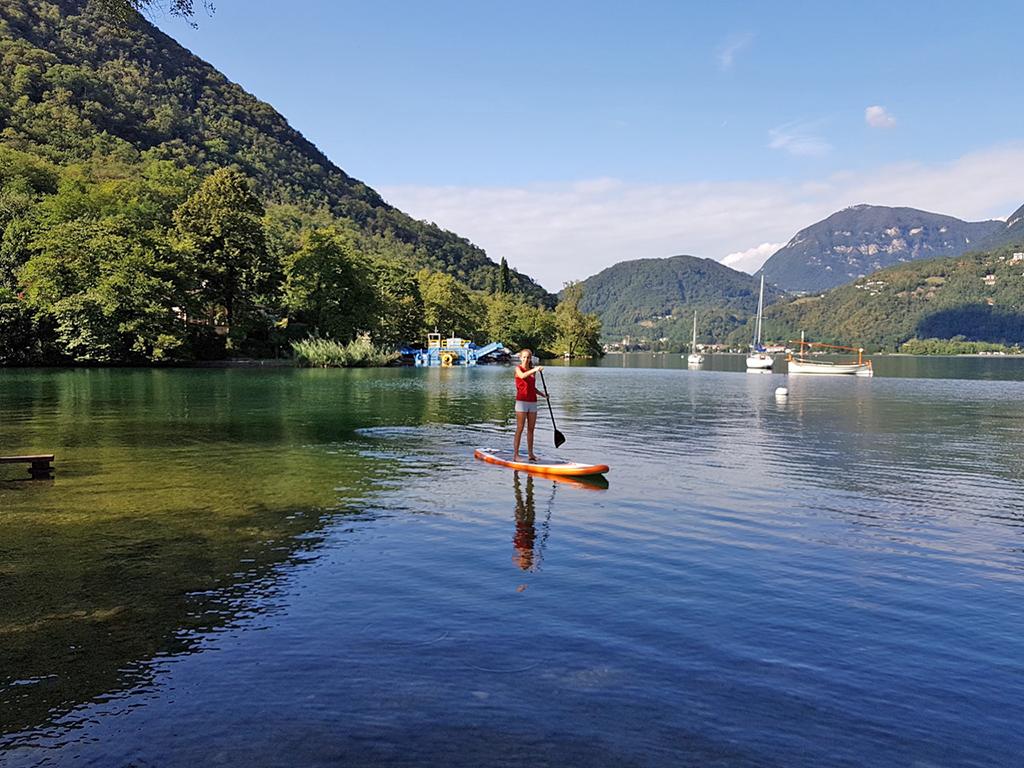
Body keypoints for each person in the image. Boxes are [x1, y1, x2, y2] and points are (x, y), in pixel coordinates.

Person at [513, 348, 546, 460]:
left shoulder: (532, 371)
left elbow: (532, 388)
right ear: (520, 358)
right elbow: (522, 376)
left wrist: (543, 395)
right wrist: (535, 369)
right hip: (521, 402)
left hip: (532, 402)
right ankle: (516, 455)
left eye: (528, 357)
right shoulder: (518, 369)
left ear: (530, 358)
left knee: (531, 429)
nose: (526, 359)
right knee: (520, 428)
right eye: (524, 357)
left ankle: (531, 454)